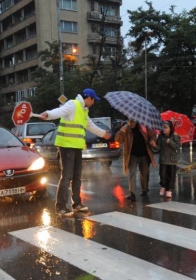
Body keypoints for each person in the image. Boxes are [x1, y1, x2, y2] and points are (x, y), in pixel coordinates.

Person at [39, 88, 110, 217]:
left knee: (77, 176)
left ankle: (76, 204)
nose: (93, 103)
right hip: (66, 146)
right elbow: (59, 111)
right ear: (88, 98)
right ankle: (60, 206)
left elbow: (91, 125)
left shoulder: (83, 111)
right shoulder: (73, 104)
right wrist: (48, 114)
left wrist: (104, 134)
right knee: (67, 176)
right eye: (93, 100)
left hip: (77, 147)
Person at [115, 119, 157, 201]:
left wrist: (152, 140)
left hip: (144, 154)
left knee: (145, 173)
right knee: (132, 172)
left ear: (136, 121)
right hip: (132, 155)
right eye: (129, 121)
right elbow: (117, 140)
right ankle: (132, 193)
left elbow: (153, 134)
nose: (130, 123)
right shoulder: (126, 129)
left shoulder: (143, 126)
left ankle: (145, 189)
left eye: (132, 122)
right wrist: (121, 131)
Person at [150, 121, 181, 198]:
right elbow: (158, 148)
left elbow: (177, 147)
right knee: (163, 174)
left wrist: (170, 142)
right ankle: (163, 186)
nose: (164, 129)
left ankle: (168, 190)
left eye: (166, 128)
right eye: (163, 127)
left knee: (171, 176)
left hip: (172, 160)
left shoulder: (175, 136)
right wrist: (154, 146)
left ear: (170, 129)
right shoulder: (161, 137)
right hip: (163, 159)